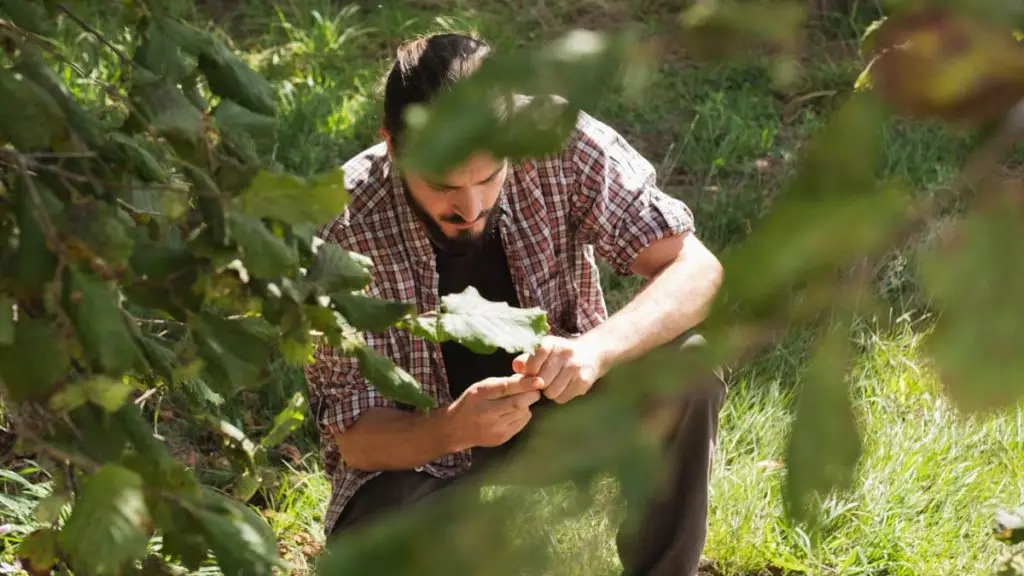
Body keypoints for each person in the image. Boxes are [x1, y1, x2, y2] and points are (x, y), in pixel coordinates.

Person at [305, 31, 727, 576]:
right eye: (444, 186)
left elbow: (699, 270)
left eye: (489, 176)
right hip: (420, 445)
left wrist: (595, 351)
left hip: (562, 405)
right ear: (392, 145)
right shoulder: (340, 227)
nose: (472, 207)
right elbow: (355, 437)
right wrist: (454, 427)